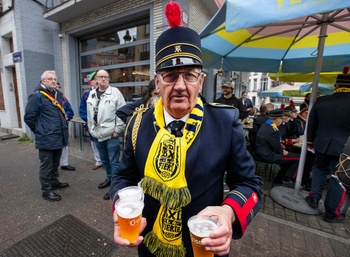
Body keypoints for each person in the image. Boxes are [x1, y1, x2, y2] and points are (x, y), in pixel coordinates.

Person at [110, 2, 263, 257]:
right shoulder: (138, 124)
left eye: (190, 75)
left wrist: (228, 212)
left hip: (204, 246)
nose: (180, 85)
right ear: (157, 83)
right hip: (150, 246)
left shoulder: (225, 122)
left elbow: (250, 183)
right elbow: (122, 179)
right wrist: (120, 208)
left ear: (201, 81)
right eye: (170, 75)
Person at [305, 73, 350, 222]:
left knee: (319, 168)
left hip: (321, 144)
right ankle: (331, 213)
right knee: (338, 178)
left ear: (336, 85)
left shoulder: (322, 101)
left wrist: (310, 142)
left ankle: (314, 197)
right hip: (344, 148)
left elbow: (311, 123)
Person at [24, 70, 69, 201]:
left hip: (57, 137)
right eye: (50, 79)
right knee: (46, 165)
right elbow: (29, 118)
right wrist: (40, 131)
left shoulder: (56, 94)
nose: (53, 81)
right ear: (43, 81)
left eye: (55, 79)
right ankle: (46, 190)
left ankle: (54, 182)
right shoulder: (36, 96)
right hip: (46, 138)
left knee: (55, 163)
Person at [86, 69, 126, 200]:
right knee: (104, 160)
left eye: (106, 77)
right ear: (96, 79)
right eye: (100, 77)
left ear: (108, 79)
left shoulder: (115, 93)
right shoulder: (91, 94)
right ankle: (109, 179)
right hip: (97, 135)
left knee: (114, 161)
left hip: (111, 135)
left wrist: (117, 130)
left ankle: (114, 187)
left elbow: (121, 112)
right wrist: (91, 129)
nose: (103, 79)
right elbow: (89, 114)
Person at [255, 109, 300, 188]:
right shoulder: (273, 130)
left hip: (261, 153)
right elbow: (277, 148)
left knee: (290, 157)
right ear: (278, 119)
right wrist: (283, 151)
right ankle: (286, 179)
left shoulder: (266, 125)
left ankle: (279, 178)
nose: (282, 121)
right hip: (269, 156)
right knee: (298, 158)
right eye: (281, 119)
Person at [79, 71, 103, 170]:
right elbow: (82, 109)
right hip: (92, 124)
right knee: (94, 143)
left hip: (104, 124)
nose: (97, 81)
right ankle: (98, 161)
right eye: (94, 79)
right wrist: (88, 120)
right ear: (91, 82)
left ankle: (106, 161)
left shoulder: (106, 92)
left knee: (104, 142)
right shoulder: (86, 94)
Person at [55, 82, 75, 171]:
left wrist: (67, 116)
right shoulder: (47, 98)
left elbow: (70, 110)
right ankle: (54, 169)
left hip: (64, 126)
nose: (58, 88)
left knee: (65, 145)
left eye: (59, 86)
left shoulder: (63, 98)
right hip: (54, 127)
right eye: (56, 86)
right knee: (55, 147)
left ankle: (64, 163)